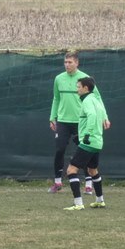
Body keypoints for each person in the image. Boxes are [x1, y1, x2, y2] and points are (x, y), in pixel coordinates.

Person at [49, 51, 110, 194]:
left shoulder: (85, 79)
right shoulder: (59, 78)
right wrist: (52, 117)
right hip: (63, 121)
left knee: (85, 151)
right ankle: (57, 182)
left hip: (80, 122)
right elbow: (56, 98)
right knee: (59, 149)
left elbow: (97, 99)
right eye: (65, 62)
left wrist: (105, 117)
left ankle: (88, 184)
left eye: (70, 62)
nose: (67, 65)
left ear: (77, 63)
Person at [63, 77, 107, 211]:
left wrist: (87, 134)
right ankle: (100, 201)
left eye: (78, 87)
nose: (77, 90)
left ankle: (78, 203)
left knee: (71, 170)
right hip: (97, 141)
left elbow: (92, 116)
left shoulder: (87, 100)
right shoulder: (96, 99)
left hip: (89, 141)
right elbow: (99, 116)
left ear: (85, 88)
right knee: (92, 170)